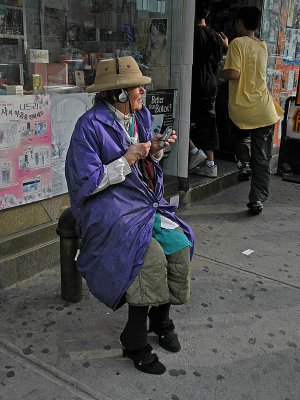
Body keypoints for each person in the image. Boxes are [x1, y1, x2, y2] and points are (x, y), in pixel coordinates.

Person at [65, 56, 194, 375]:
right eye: (137, 86)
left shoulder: (141, 116)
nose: (142, 91)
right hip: (108, 208)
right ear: (117, 93)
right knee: (147, 259)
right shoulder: (89, 126)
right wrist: (125, 159)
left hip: (143, 203)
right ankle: (134, 340)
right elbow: (84, 181)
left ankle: (161, 320)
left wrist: (157, 149)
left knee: (177, 248)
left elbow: (148, 164)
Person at [222, 6, 284, 215]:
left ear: (239, 22)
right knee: (262, 157)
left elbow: (233, 73)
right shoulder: (263, 45)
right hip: (265, 110)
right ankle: (257, 199)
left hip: (242, 109)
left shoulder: (237, 43)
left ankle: (244, 162)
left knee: (235, 135)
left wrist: (219, 70)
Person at [189, 0, 228, 177]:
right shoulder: (215, 36)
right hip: (210, 84)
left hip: (193, 83)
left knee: (181, 119)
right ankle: (211, 164)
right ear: (207, 14)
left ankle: (194, 152)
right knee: (208, 122)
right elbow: (219, 58)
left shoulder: (190, 34)